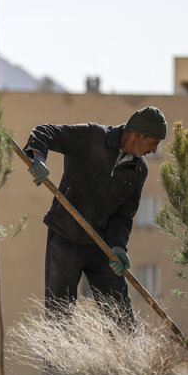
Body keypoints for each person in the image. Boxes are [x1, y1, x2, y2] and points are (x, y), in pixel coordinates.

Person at [23, 106, 167, 327]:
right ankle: (57, 363)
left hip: (102, 247)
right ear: (137, 134)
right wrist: (38, 157)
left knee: (122, 319)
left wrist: (118, 247)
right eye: (153, 143)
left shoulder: (138, 171)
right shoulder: (92, 136)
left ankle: (128, 361)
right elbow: (45, 131)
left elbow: (123, 216)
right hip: (65, 240)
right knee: (58, 318)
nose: (155, 149)